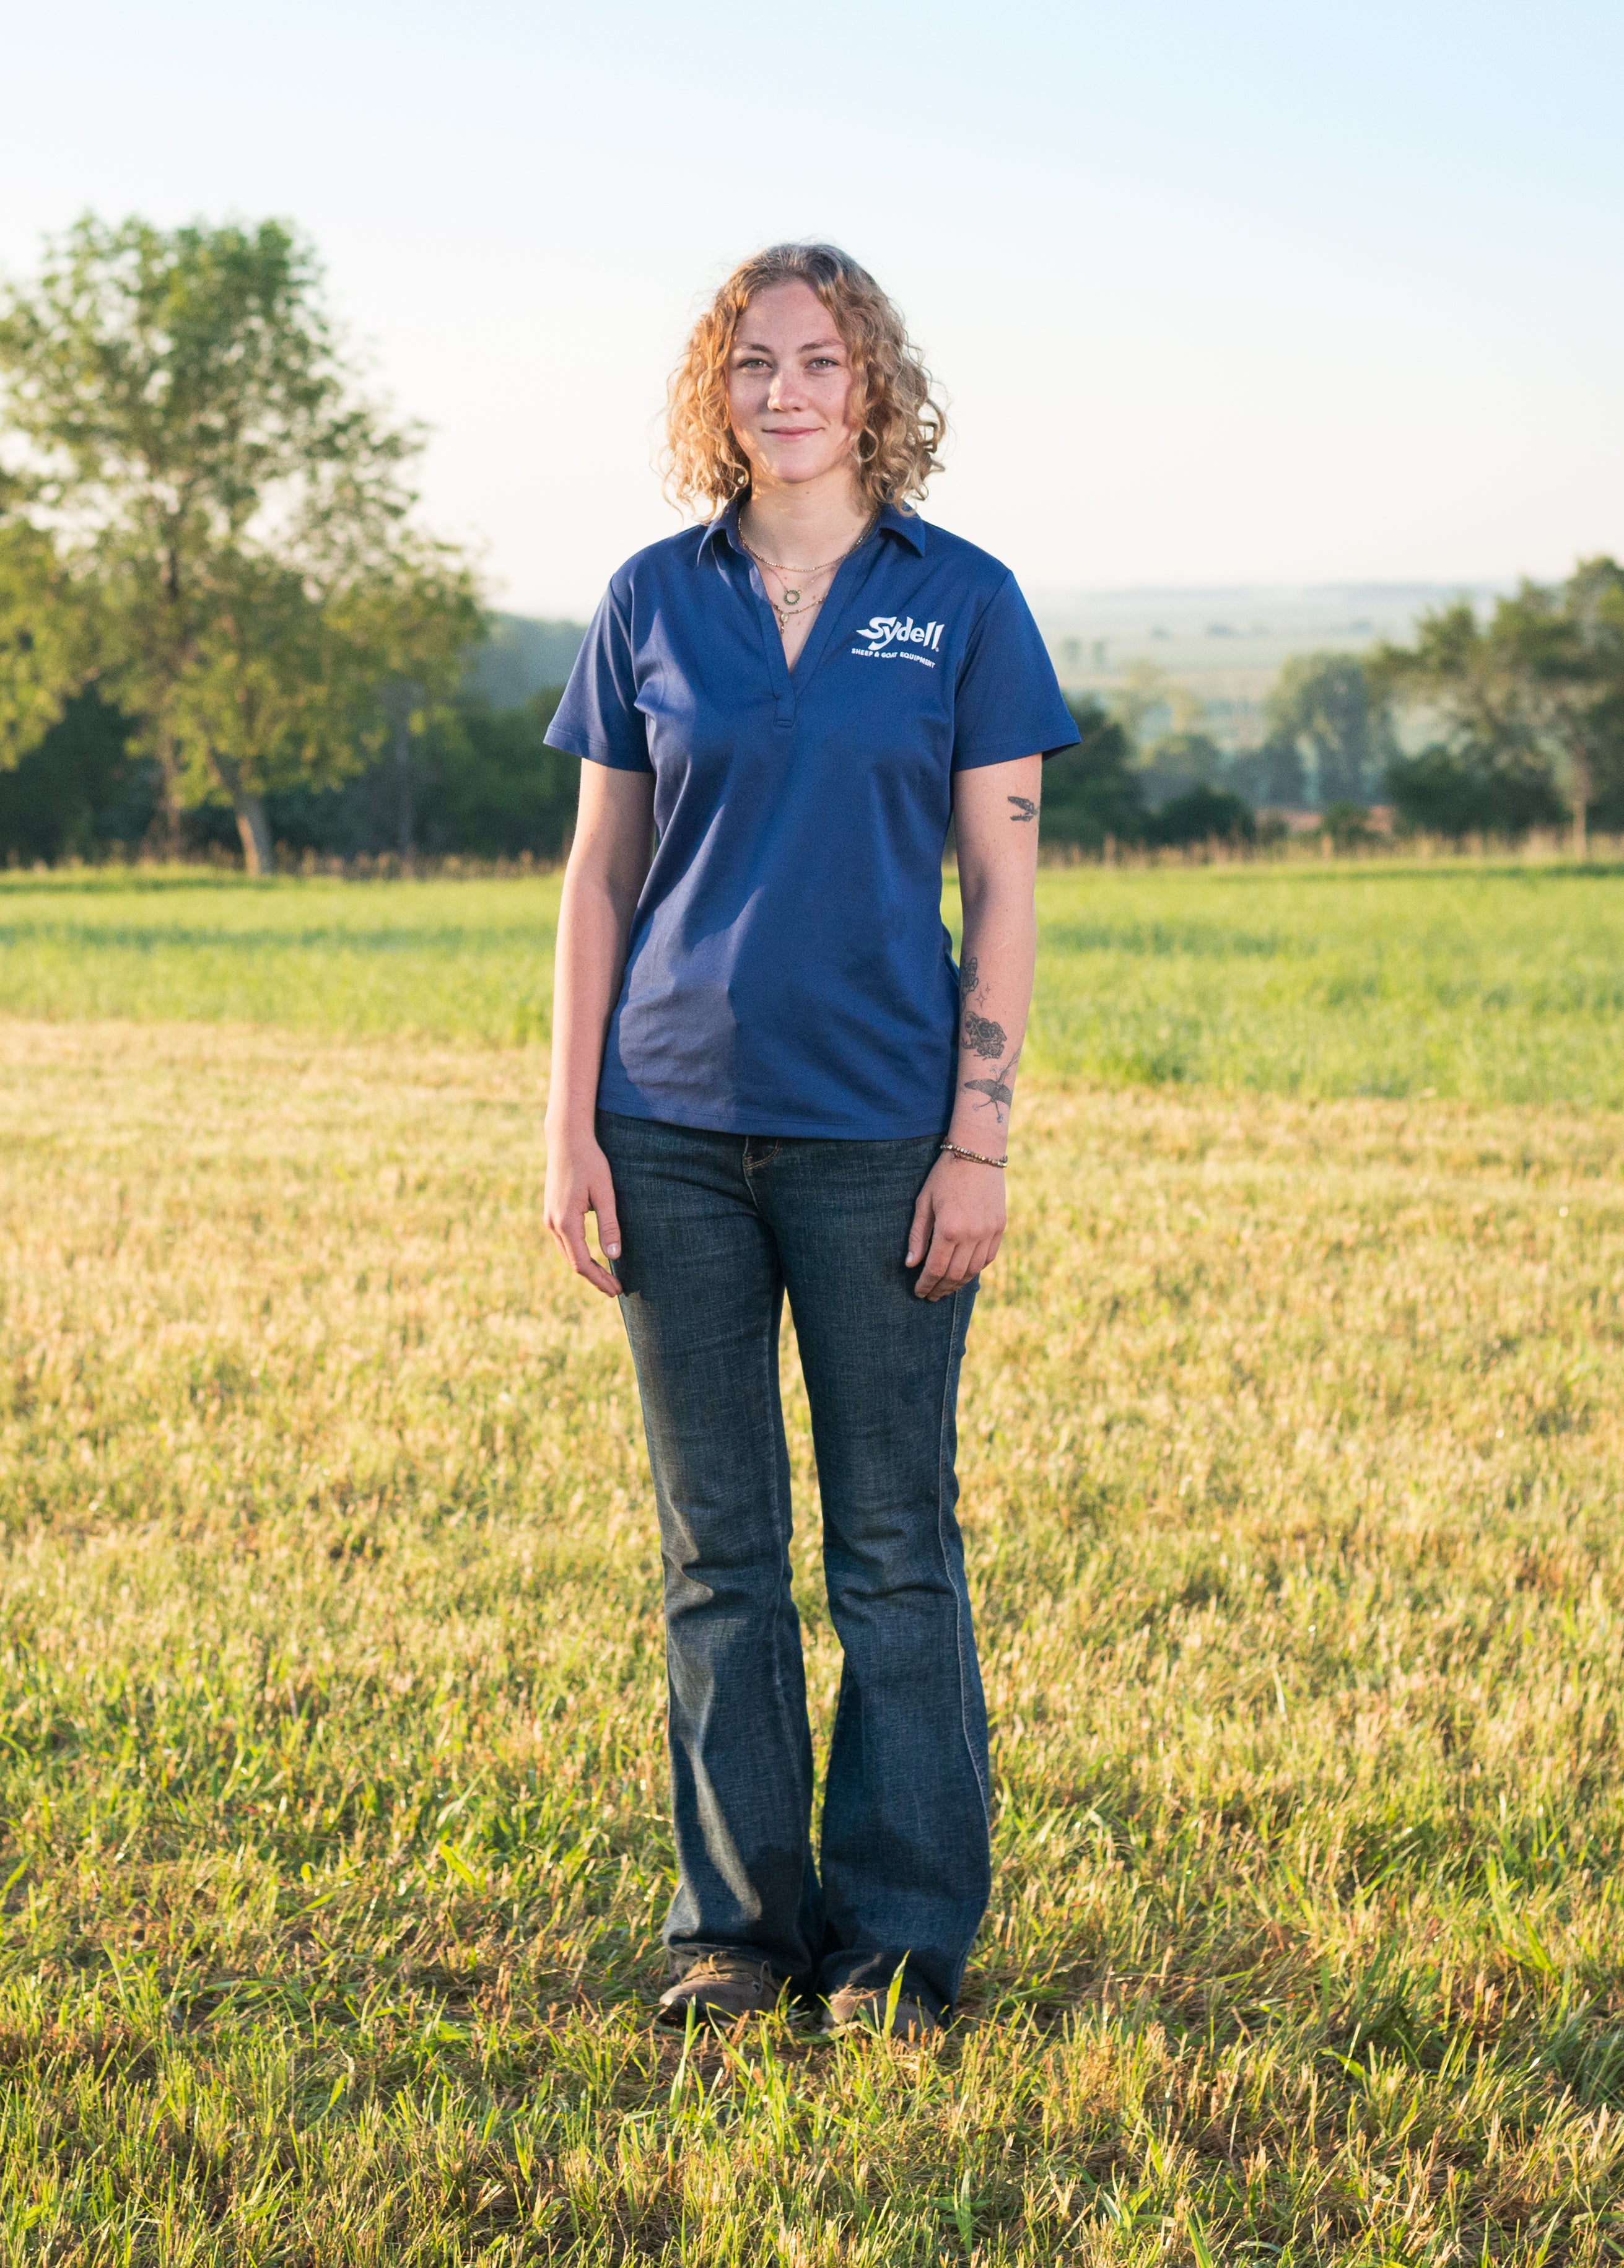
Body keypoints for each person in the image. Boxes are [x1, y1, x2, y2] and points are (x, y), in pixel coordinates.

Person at [542, 242, 1076, 2041]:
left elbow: (1001, 887)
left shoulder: (965, 599)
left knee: (893, 1549)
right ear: (720, 391)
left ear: (874, 388)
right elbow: (600, 879)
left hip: (880, 1137)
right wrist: (569, 1133)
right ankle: (738, 1932)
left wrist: (977, 1146)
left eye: (822, 360)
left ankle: (901, 1947)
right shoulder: (647, 601)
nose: (788, 390)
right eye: (756, 361)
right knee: (716, 1557)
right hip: (668, 1130)